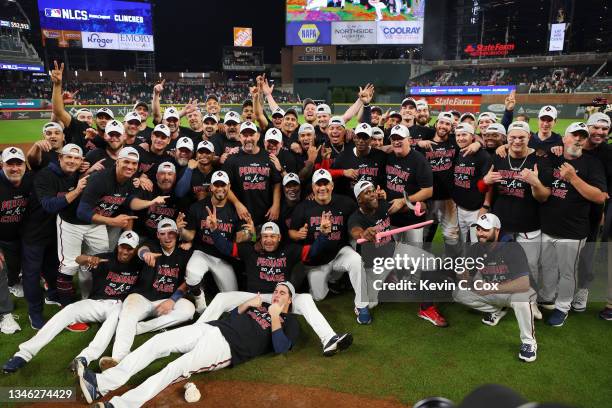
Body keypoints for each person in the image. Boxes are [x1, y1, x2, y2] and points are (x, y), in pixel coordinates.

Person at [78, 282, 299, 407]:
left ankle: (120, 405)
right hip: (211, 328)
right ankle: (101, 384)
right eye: (276, 291)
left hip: (226, 349)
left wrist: (275, 317)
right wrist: (246, 305)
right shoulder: (259, 307)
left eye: (283, 293)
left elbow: (281, 347)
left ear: (290, 299)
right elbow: (231, 317)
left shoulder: (290, 321)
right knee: (158, 341)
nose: (277, 295)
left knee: (174, 369)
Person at [199, 219, 353, 356]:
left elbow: (313, 251)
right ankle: (198, 331)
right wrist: (214, 230)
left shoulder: (290, 250)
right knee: (221, 298)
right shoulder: (249, 249)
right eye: (265, 236)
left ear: (279, 237)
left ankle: (329, 339)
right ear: (261, 237)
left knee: (305, 298)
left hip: (281, 300)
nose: (268, 240)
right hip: (255, 298)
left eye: (272, 236)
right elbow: (225, 247)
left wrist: (324, 235)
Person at [2, 231, 142, 374]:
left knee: (112, 321)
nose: (124, 251)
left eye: (129, 248)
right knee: (68, 310)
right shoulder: (105, 258)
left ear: (135, 249)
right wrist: (88, 258)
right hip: (95, 303)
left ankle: (84, 358)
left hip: (118, 306)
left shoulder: (139, 264)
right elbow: (78, 259)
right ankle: (23, 354)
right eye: (122, 247)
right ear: (117, 246)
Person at [96, 218, 195, 370]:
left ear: (176, 234)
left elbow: (189, 281)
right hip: (142, 297)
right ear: (158, 235)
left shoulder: (184, 253)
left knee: (188, 310)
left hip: (166, 300)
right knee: (128, 314)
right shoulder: (151, 245)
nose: (167, 237)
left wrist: (173, 300)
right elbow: (142, 250)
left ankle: (140, 328)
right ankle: (117, 358)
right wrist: (146, 255)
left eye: (171, 233)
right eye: (163, 233)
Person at [538, 122, 607, 327]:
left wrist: (573, 178)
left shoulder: (591, 164)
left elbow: (599, 197)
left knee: (568, 272)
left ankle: (563, 307)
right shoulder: (553, 157)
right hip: (548, 226)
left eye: (582, 136)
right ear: (564, 138)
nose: (578, 139)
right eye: (574, 135)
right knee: (548, 267)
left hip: (573, 230)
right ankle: (548, 296)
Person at [289, 169, 371, 324]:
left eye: (325, 183)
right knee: (319, 296)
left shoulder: (345, 202)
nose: (322, 188)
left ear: (332, 185)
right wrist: (298, 234)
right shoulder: (303, 207)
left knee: (356, 261)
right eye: (318, 185)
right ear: (313, 187)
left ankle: (362, 305)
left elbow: (361, 217)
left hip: (339, 252)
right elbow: (291, 231)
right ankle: (333, 279)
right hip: (317, 260)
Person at [453, 213, 538, 363]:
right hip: (496, 291)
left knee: (522, 298)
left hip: (516, 291)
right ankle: (497, 310)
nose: (480, 233)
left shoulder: (512, 248)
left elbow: (524, 284)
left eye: (485, 230)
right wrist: (461, 273)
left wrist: (490, 288)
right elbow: (468, 279)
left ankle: (529, 342)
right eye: (478, 229)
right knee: (459, 293)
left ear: (497, 230)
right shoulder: (475, 249)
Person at [483, 122, 549, 306]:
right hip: (502, 223)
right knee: (502, 265)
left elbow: (544, 197)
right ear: (507, 138)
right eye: (513, 137)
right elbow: (485, 185)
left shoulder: (539, 159)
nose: (517, 141)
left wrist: (535, 182)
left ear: (529, 137)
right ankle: (504, 300)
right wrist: (485, 182)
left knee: (531, 266)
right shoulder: (498, 156)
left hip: (530, 224)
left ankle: (531, 302)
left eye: (522, 137)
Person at [21, 144, 86, 329]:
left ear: (81, 161)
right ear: (60, 158)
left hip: (55, 231)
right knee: (32, 276)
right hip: (34, 232)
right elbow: (49, 205)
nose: (72, 161)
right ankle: (35, 313)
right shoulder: (45, 175)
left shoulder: (75, 175)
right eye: (68, 157)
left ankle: (53, 295)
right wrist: (76, 191)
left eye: (76, 158)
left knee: (52, 268)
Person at [181, 171, 249, 312]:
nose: (220, 188)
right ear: (211, 187)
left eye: (223, 185)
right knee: (192, 275)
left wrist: (251, 234)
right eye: (216, 185)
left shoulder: (235, 210)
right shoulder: (198, 207)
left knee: (231, 304)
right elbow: (191, 236)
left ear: (229, 186)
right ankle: (200, 302)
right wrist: (180, 230)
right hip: (202, 253)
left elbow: (240, 237)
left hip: (223, 258)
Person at [223, 121, 281, 225]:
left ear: (258, 136)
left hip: (266, 214)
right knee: (246, 240)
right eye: (245, 135)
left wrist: (276, 205)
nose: (248, 138)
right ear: (240, 137)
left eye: (251, 135)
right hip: (241, 214)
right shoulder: (232, 159)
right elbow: (224, 186)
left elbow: (276, 182)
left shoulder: (269, 157)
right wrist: (237, 203)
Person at [0, 147, 32, 334]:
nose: (14, 168)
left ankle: (13, 281)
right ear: (2, 164)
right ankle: (5, 313)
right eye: (9, 164)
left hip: (19, 237)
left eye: (18, 163)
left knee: (13, 270)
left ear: (24, 166)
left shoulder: (31, 180)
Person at [451, 123, 492, 243]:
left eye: (464, 134)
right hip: (460, 208)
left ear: (472, 136)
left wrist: (485, 206)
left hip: (476, 210)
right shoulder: (457, 152)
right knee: (463, 243)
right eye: (458, 135)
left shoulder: (483, 156)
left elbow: (489, 184)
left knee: (476, 245)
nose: (460, 138)